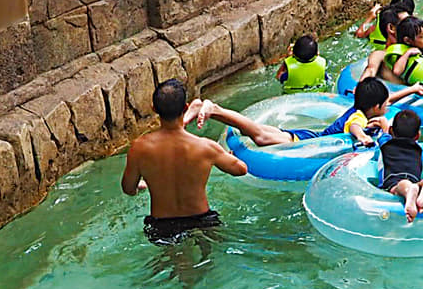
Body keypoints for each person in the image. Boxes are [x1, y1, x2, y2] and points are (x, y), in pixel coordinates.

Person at [121, 77, 244, 240]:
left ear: (154, 108)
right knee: (207, 257)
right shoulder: (205, 147)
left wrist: (143, 184)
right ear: (185, 108)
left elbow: (129, 189)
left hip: (162, 225)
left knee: (176, 261)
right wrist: (229, 155)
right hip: (202, 220)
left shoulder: (139, 148)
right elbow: (240, 170)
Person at [187, 77, 390, 151]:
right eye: (387, 103)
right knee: (258, 135)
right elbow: (354, 127)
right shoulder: (359, 118)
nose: (389, 106)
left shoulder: (360, 110)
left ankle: (205, 109)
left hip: (307, 136)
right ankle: (214, 110)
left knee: (255, 129)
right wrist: (363, 137)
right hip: (305, 142)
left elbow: (366, 115)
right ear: (376, 105)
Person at [374, 109, 423, 220]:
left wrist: (383, 124)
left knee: (400, 186)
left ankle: (410, 190)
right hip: (413, 175)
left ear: (391, 131)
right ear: (417, 136)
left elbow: (383, 134)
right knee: (413, 183)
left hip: (394, 179)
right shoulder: (417, 147)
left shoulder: (386, 143)